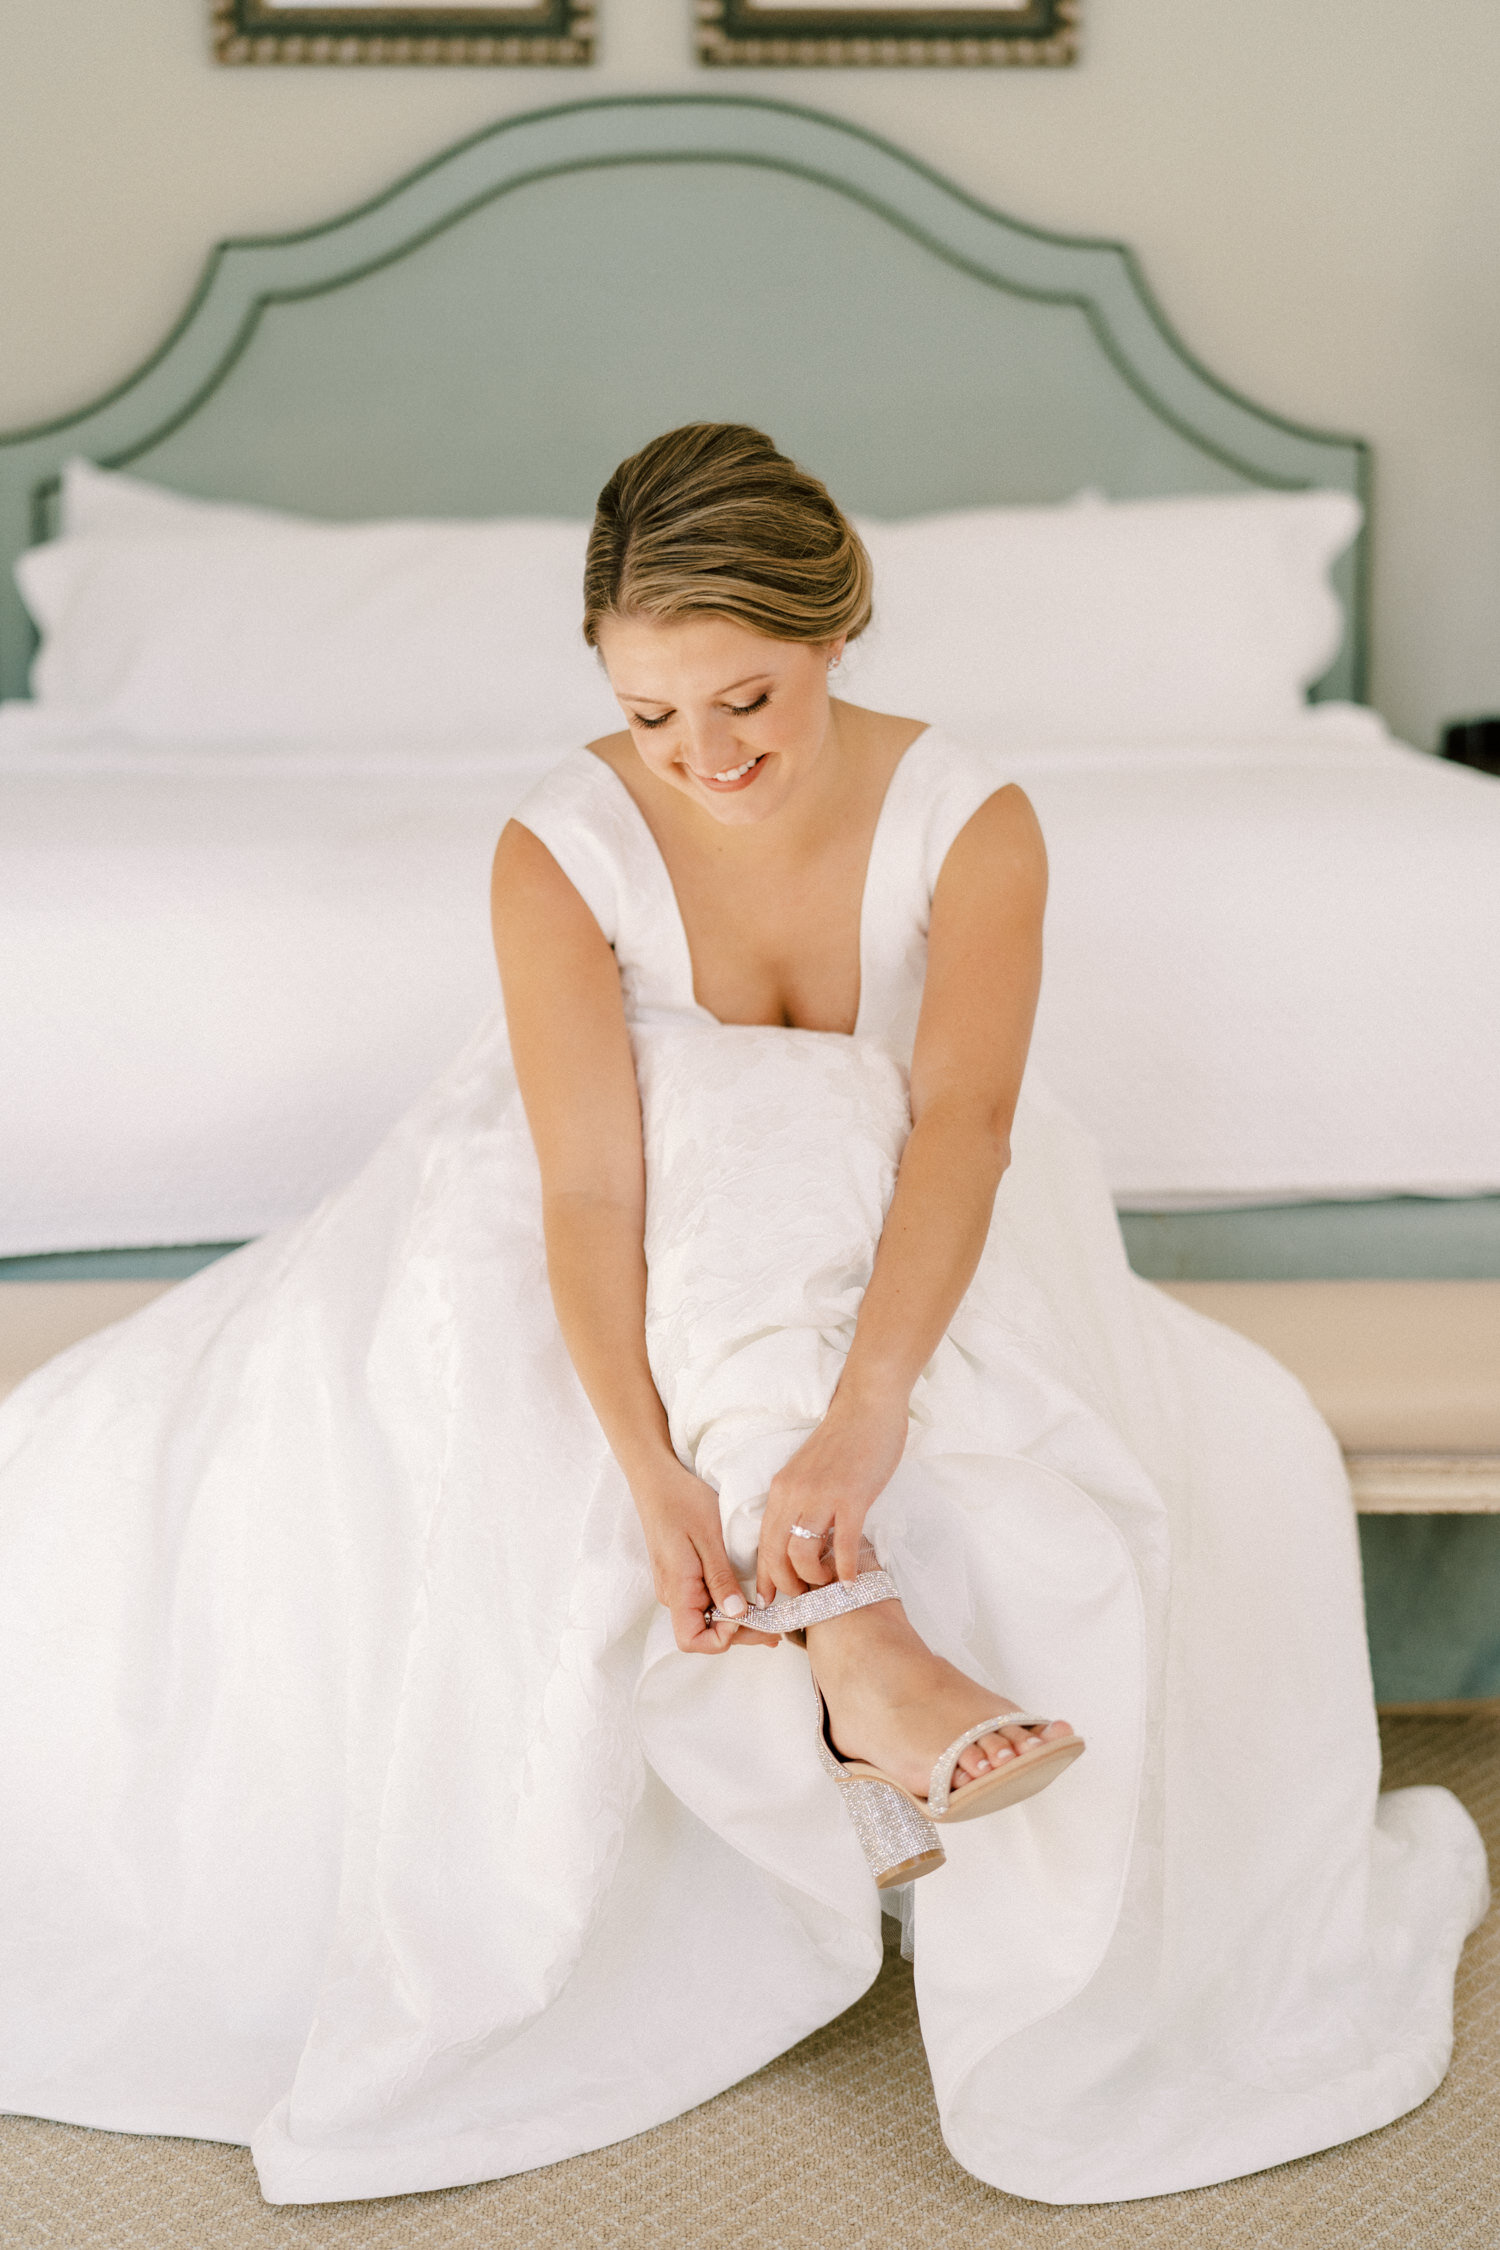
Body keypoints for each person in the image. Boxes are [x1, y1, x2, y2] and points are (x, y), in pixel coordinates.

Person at [0, 425, 1486, 2210]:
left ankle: (853, 1660)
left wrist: (872, 1411)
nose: (700, 762)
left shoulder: (973, 818)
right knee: (723, 1107)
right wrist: (646, 1470)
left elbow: (966, 1126)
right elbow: (590, 1192)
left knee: (797, 1112)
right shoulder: (557, 844)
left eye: (745, 701)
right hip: (603, 1213)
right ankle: (863, 1646)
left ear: (837, 627)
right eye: (646, 716)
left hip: (911, 1218)